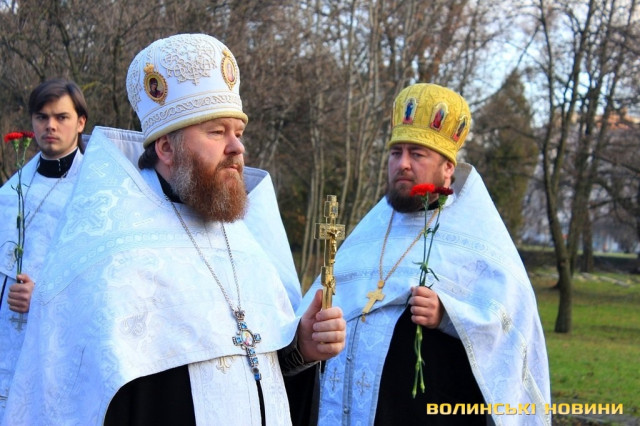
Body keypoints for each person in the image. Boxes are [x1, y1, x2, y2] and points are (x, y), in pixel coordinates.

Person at [2, 34, 345, 425]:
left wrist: (301, 348)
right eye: (217, 132)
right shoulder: (113, 258)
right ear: (166, 149)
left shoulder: (245, 242)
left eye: (238, 133)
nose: (237, 148)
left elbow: (260, 366)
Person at [298, 83, 551, 425]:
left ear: (448, 167)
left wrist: (447, 315)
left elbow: (511, 333)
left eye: (417, 154)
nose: (402, 164)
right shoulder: (370, 232)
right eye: (395, 153)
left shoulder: (481, 239)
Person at [0, 78, 87, 419]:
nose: (50, 125)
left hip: (55, 345)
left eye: (61, 117)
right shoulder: (10, 191)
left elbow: (100, 276)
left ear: (80, 122)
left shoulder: (92, 193)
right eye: (42, 117)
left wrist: (44, 296)